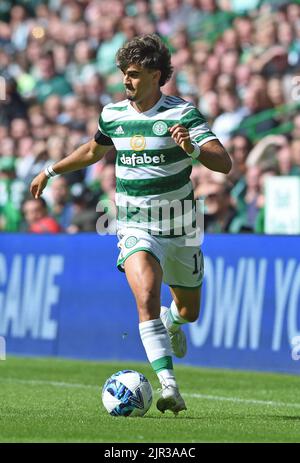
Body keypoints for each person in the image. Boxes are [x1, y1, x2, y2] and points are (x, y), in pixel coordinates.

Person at [30, 34, 232, 415]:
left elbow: (224, 163)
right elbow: (94, 150)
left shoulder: (182, 114)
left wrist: (191, 148)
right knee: (146, 297)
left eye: (135, 74)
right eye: (124, 73)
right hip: (135, 225)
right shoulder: (113, 115)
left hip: (182, 228)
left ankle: (173, 324)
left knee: (189, 312)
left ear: (157, 76)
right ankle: (168, 386)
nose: (127, 81)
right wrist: (50, 170)